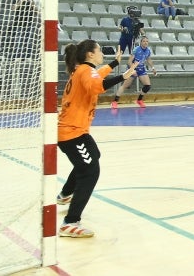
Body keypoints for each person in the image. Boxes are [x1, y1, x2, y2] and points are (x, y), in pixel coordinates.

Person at [57, 40, 138, 237]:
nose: (102, 53)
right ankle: (70, 222)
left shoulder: (82, 70)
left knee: (93, 155)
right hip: (72, 132)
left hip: (75, 131)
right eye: (100, 50)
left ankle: (65, 194)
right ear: (90, 55)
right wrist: (122, 76)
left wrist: (114, 64)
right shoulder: (85, 71)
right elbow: (98, 85)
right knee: (91, 171)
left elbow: (98, 75)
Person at [111, 36, 156, 110]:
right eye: (144, 41)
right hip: (132, 68)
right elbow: (129, 61)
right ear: (141, 42)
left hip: (141, 69)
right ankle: (115, 101)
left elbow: (149, 59)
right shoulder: (136, 50)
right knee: (125, 85)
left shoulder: (148, 50)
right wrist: (132, 70)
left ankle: (139, 100)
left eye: (147, 41)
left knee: (147, 86)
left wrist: (153, 68)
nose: (145, 43)